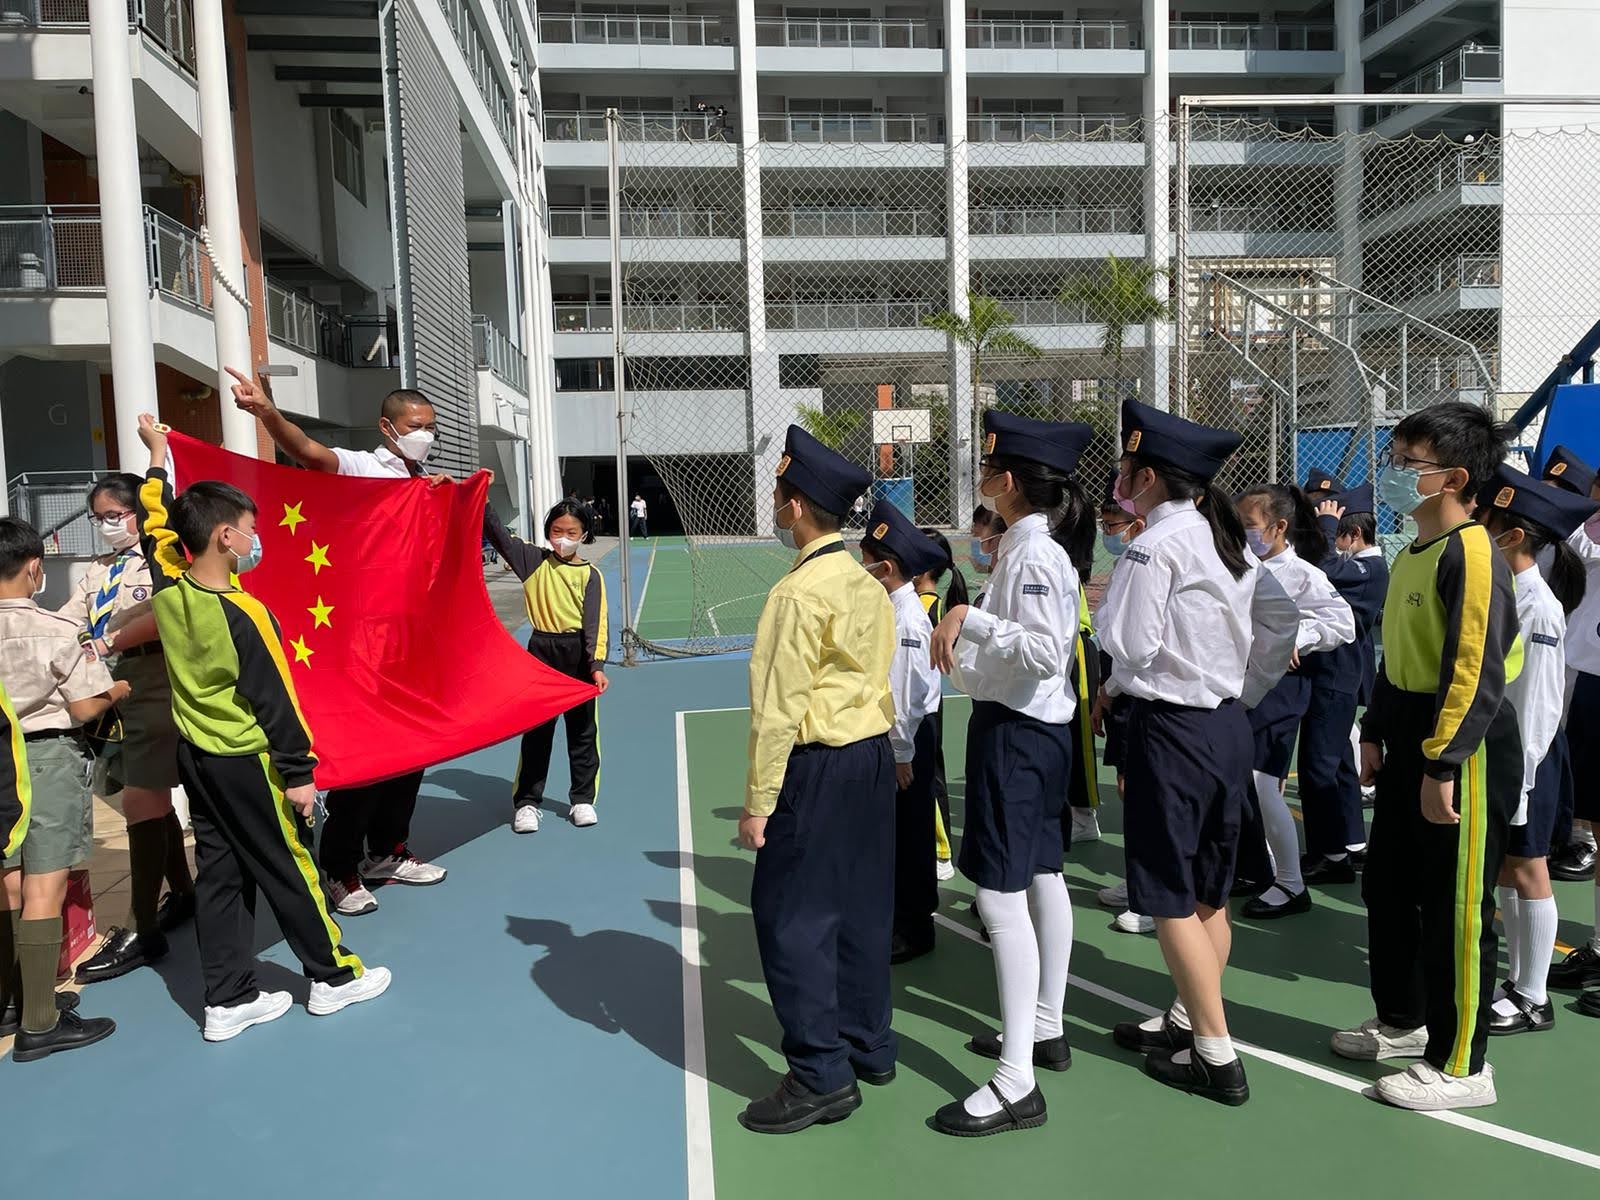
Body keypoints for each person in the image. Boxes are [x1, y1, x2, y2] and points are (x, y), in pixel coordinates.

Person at [133, 415, 391, 1042]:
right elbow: (277, 703)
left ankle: (226, 998)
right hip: (249, 762)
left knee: (220, 873)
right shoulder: (246, 615)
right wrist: (300, 774)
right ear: (225, 536)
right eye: (249, 532)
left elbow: (154, 521)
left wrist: (158, 458)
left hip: (198, 759)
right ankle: (332, 977)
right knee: (289, 864)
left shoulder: (168, 583)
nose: (256, 539)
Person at [1097, 397, 1297, 1107]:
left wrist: (1103, 630)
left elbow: (1128, 644)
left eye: (1126, 466)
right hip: (1224, 726)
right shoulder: (1225, 540)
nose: (1119, 477)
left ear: (1146, 476)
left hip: (1172, 730)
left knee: (1170, 896)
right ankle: (1188, 1016)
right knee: (1210, 892)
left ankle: (1214, 1052)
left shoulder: (1153, 545)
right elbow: (1278, 622)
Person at [1333, 402, 1519, 1111]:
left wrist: (1442, 764)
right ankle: (1404, 1023)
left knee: (1456, 905)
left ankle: (1466, 1064)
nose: (1393, 475)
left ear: (1454, 479)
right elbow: (1393, 658)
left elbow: (1474, 669)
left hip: (1463, 746)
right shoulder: (1413, 553)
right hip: (1410, 729)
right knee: (1389, 887)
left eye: (1409, 465)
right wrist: (1376, 731)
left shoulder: (1473, 553)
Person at [927, 410, 1093, 1136]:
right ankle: (1044, 1028)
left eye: (990, 468)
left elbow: (1043, 652)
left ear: (1013, 482)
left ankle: (1016, 1080)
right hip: (1037, 733)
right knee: (1042, 876)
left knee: (999, 899)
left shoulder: (1032, 556)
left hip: (1019, 737)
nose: (983, 478)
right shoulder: (1030, 548)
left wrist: (969, 618)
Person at [230, 366, 448, 915]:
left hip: (411, 636)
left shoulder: (423, 482)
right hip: (364, 637)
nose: (426, 434)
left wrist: (443, 498)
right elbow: (307, 451)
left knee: (414, 746)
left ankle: (389, 850)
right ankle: (340, 868)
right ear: (387, 427)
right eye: (416, 425)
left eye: (431, 426)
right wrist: (267, 413)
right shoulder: (360, 466)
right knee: (371, 750)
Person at [737, 426, 896, 1135]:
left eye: (779, 492)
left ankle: (819, 1075)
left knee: (791, 917)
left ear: (796, 505)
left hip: (819, 763)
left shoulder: (798, 593)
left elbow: (778, 711)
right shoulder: (865, 582)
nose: (775, 503)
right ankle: (868, 1043)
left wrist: (757, 803)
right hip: (869, 758)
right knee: (861, 909)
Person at [60, 473, 197, 985]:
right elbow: (69, 620)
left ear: (139, 512)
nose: (105, 526)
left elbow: (168, 614)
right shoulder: (99, 569)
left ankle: (143, 927)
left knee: (142, 795)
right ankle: (183, 895)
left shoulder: (164, 560)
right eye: (98, 518)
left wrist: (110, 640)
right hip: (110, 684)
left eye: (113, 515)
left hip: (153, 679)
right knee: (142, 795)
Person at [0, 518, 125, 1060]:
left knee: (9, 881)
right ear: (34, 569)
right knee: (44, 885)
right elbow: (83, 706)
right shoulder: (53, 629)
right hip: (44, 756)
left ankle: (15, 997)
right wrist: (116, 689)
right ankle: (40, 1022)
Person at [1477, 465, 1595, 1033]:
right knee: (1507, 870)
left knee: (1529, 870)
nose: (1478, 527)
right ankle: (1520, 980)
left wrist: (1520, 782)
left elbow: (1541, 704)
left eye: (1487, 522)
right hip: (1505, 755)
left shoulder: (1537, 606)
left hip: (1527, 756)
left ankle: (1533, 993)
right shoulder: (1508, 591)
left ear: (1514, 536)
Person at [1233, 484, 1356, 919]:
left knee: (1263, 782)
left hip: (1281, 688)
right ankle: (1251, 867)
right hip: (1239, 684)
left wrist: (1299, 635)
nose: (1241, 533)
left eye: (1249, 526)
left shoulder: (1303, 574)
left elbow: (1343, 624)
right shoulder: (1238, 565)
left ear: (1278, 527)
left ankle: (1289, 882)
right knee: (1238, 781)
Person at [482, 499, 608, 832]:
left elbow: (596, 622)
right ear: (548, 532)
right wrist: (483, 500)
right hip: (541, 651)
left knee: (582, 732)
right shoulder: (532, 561)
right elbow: (499, 537)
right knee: (537, 732)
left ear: (584, 535)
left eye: (571, 532)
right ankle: (526, 803)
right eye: (557, 531)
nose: (563, 537)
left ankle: (582, 799)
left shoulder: (590, 575)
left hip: (577, 656)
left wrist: (596, 664)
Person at [861, 502, 944, 964]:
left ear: (886, 567)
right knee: (899, 832)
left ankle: (914, 927)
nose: (862, 569)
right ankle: (902, 917)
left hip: (909, 736)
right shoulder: (894, 607)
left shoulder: (907, 618)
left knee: (910, 834)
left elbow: (907, 694)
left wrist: (901, 752)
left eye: (867, 561)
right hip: (905, 735)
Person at [1299, 485, 1389, 884]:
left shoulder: (1369, 568)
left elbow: (1324, 568)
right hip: (1332, 672)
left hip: (1337, 675)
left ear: (1351, 536)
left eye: (1337, 534)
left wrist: (1324, 524)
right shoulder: (1358, 565)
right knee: (1335, 763)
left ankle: (1329, 853)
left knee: (1318, 765)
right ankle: (1349, 843)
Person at [1092, 490, 1153, 935]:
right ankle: (1138, 880)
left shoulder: (1148, 564)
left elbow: (1138, 646)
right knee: (1127, 787)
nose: (1108, 532)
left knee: (1144, 792)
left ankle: (1152, 896)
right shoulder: (1128, 564)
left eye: (1114, 523)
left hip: (1138, 693)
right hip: (1120, 688)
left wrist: (1109, 690)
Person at [1542, 446, 1600, 883]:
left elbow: (1586, 550)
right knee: (1555, 742)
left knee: (1581, 753)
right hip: (1560, 655)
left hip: (1588, 662)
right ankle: (1565, 829)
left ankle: (1583, 839)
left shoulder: (1580, 536)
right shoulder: (1546, 538)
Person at [914, 528, 966, 884]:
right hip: (924, 700)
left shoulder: (924, 610)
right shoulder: (930, 607)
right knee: (930, 772)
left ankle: (942, 850)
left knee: (927, 775)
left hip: (920, 701)